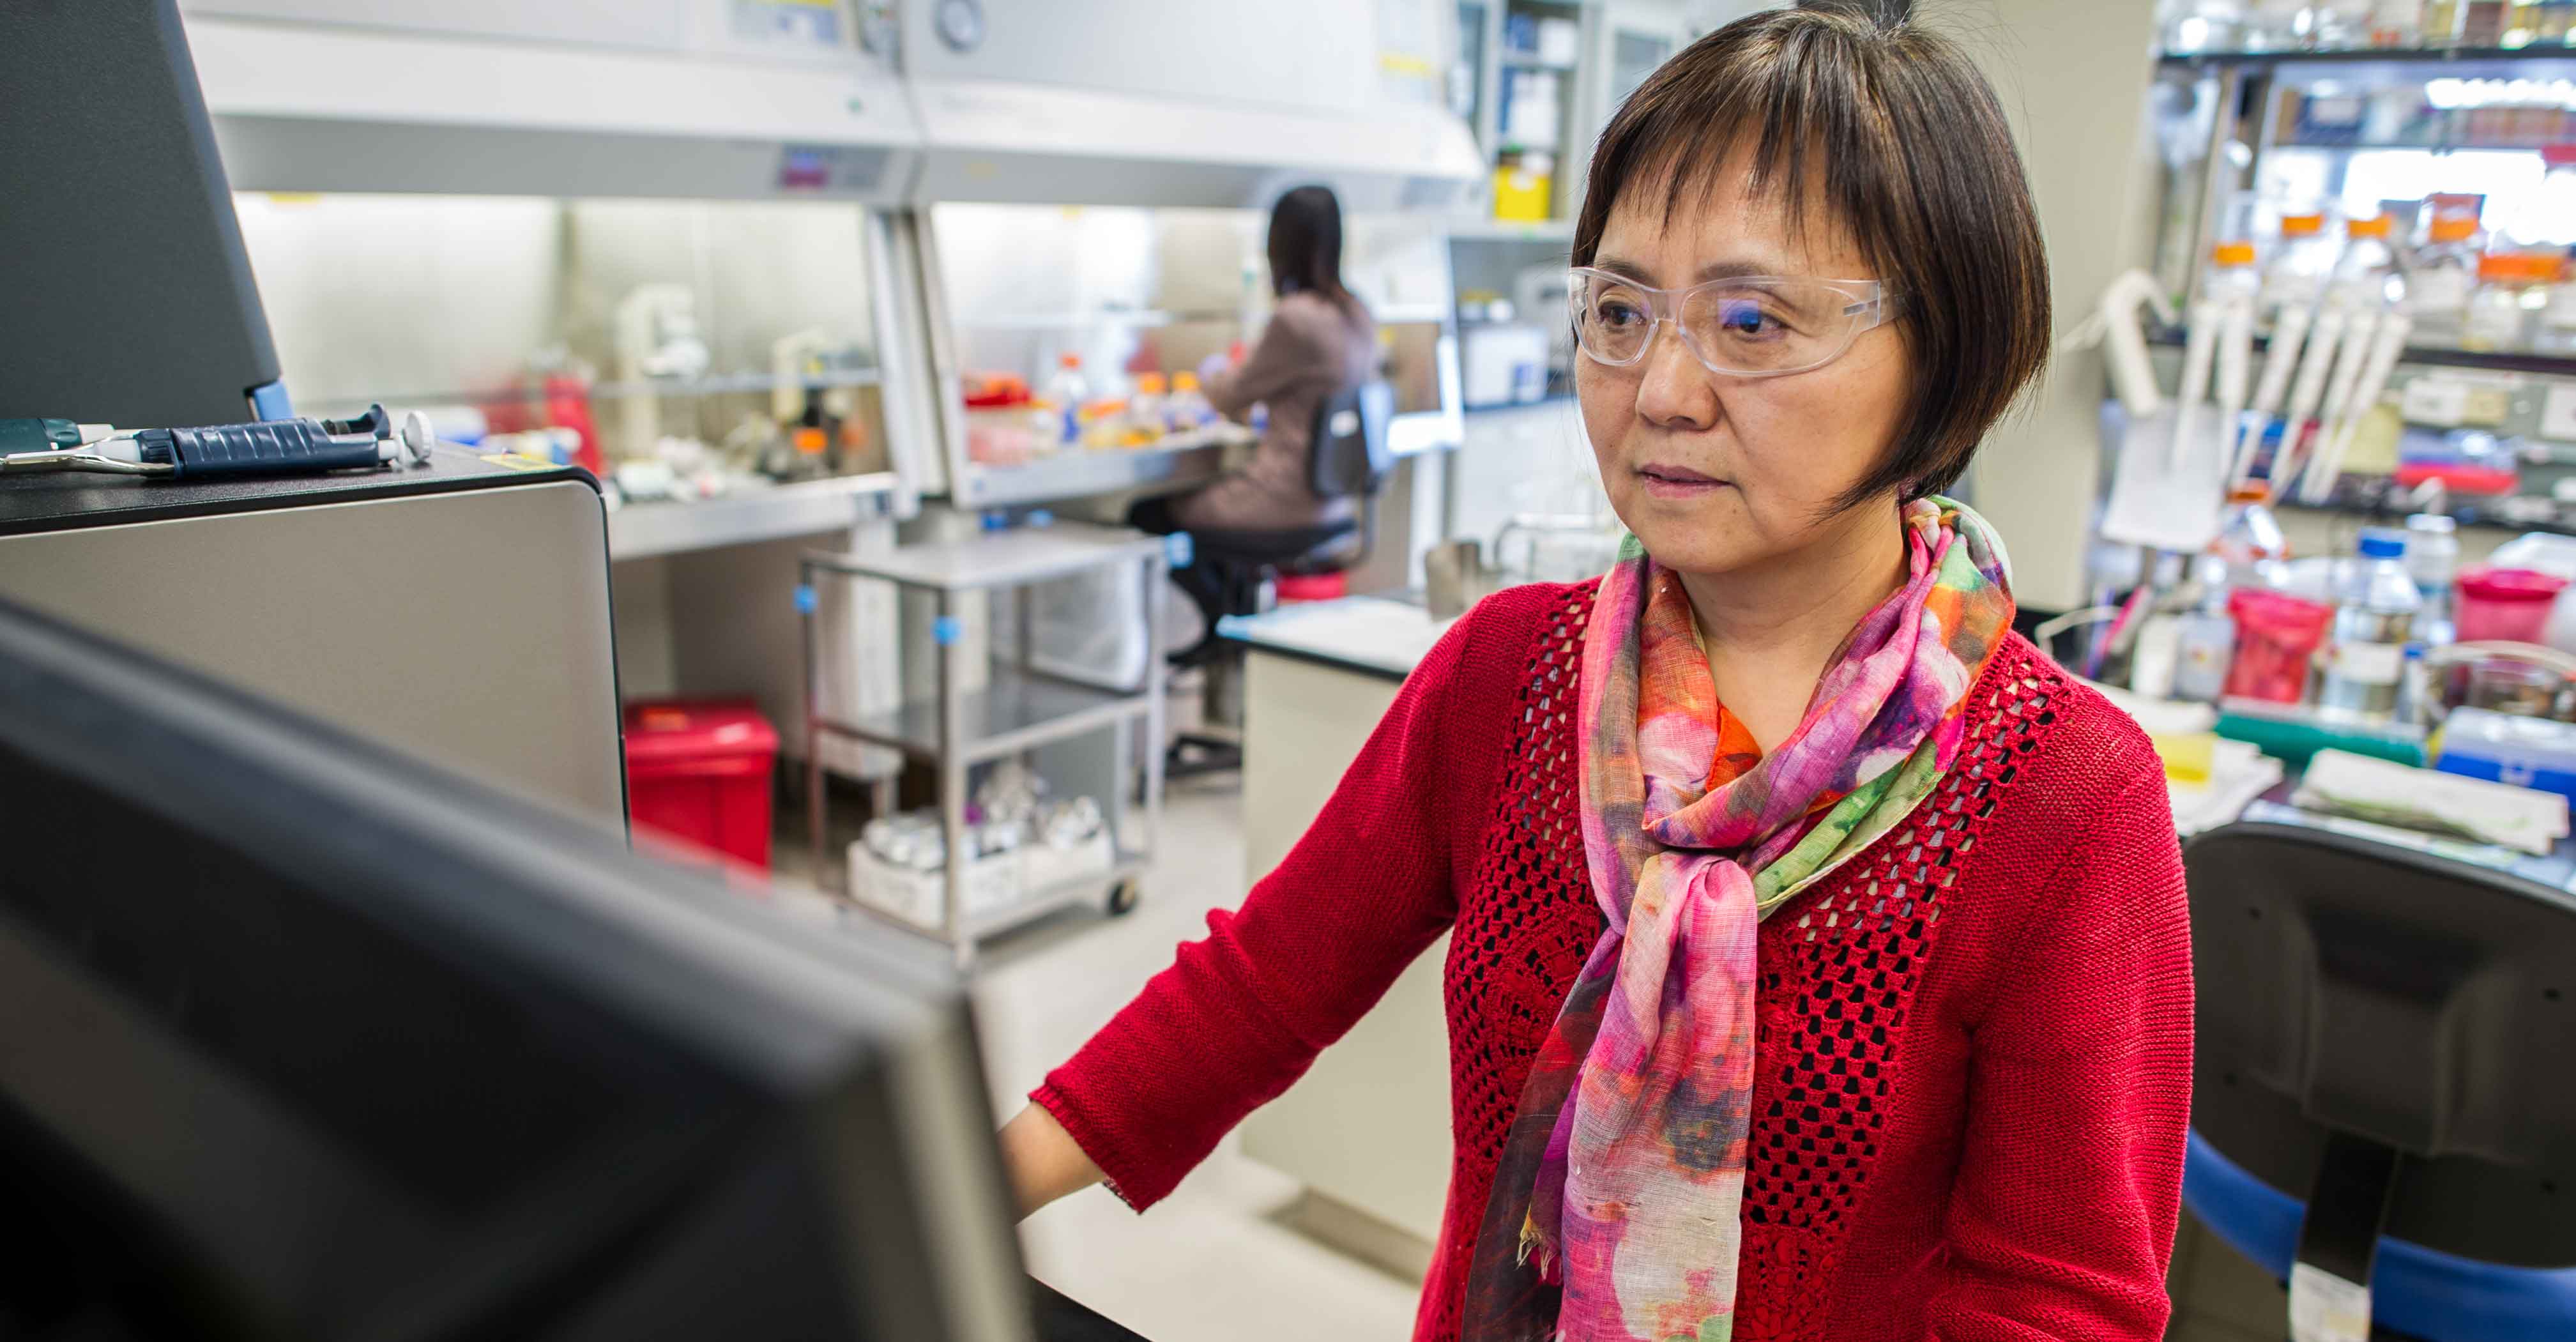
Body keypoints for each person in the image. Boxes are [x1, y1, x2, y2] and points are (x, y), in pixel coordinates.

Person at [1007, 9, 2191, 1342]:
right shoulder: (1511, 676)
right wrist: (936, 1194)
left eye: (1751, 320)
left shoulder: (2062, 793)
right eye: (1620, 310)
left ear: (1944, 351)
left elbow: (2058, 1303)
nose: (1662, 389)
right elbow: (1264, 985)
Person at [1129, 184, 1379, 657]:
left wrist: (1205, 374)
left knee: (1146, 513)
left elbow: (1231, 394)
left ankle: (1217, 634)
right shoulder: (1357, 313)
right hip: (1335, 504)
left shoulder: (1296, 318)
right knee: (1207, 530)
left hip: (1281, 502)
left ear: (1279, 243)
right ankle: (1231, 629)